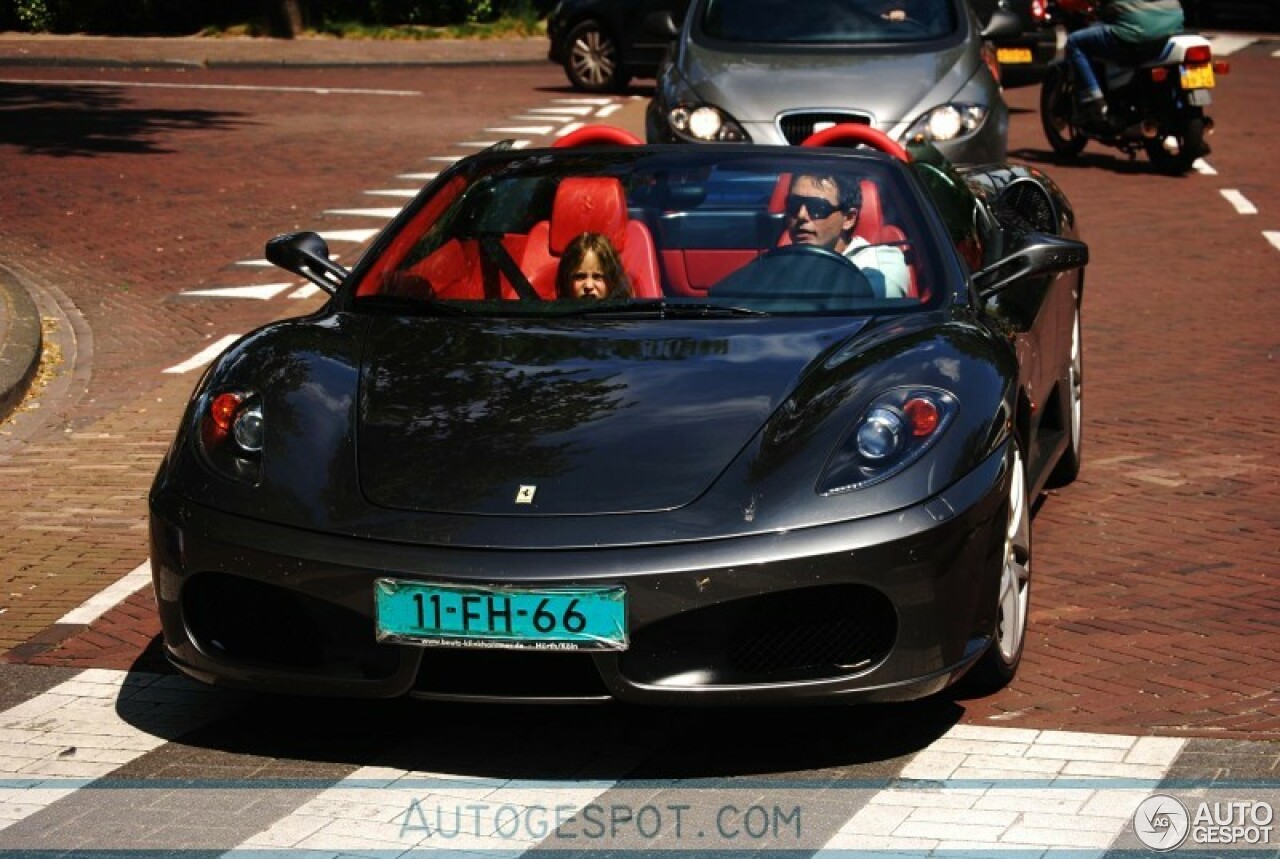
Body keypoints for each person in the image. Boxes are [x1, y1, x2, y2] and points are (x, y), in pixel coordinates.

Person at [785, 173, 910, 299]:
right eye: (794, 204)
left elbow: (878, 301)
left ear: (848, 219)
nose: (801, 215)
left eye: (818, 207)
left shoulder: (879, 261)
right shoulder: (779, 261)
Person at [1061, 0, 1185, 128]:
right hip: (1172, 27)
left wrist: (1062, 4)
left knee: (1074, 42)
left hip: (1136, 33)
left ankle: (1093, 102)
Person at [555, 232, 633, 300]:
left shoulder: (624, 316)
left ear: (612, 280)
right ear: (566, 281)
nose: (589, 286)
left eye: (597, 276)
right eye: (580, 276)